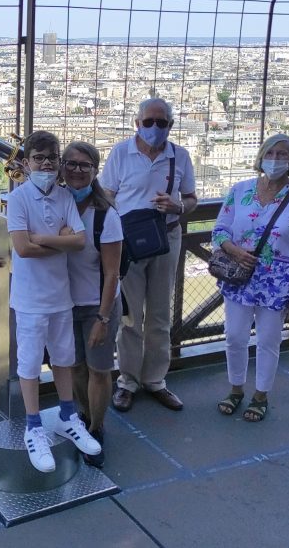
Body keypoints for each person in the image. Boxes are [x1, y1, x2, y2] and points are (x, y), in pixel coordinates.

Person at [6, 130, 101, 474]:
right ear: (26, 163)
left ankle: (67, 415)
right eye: (39, 158)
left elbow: (78, 241)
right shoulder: (18, 199)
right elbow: (22, 249)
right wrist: (59, 238)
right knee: (29, 365)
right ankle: (34, 426)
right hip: (30, 299)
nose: (46, 164)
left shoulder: (63, 197)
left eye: (51, 158)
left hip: (61, 296)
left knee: (64, 358)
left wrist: (42, 238)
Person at [100, 98, 197, 413]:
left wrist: (178, 207)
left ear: (170, 124)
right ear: (136, 122)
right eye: (149, 121)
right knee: (130, 318)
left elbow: (192, 198)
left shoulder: (179, 156)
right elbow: (107, 195)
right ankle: (127, 381)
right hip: (128, 242)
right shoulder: (121, 153)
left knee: (159, 315)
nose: (155, 128)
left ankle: (155, 380)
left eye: (162, 122)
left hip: (166, 238)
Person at [211, 134, 289, 422]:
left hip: (279, 282)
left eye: (284, 154)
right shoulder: (239, 190)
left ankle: (260, 396)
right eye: (271, 153)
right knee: (234, 337)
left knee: (269, 340)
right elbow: (219, 230)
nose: (276, 159)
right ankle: (236, 389)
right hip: (240, 275)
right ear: (260, 157)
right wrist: (234, 251)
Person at [61, 141, 122, 467]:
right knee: (75, 368)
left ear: (95, 171)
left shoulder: (105, 215)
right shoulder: (55, 205)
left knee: (99, 370)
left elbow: (112, 272)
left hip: (98, 304)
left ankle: (97, 429)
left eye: (85, 165)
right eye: (71, 163)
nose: (77, 170)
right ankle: (85, 417)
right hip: (65, 304)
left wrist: (102, 316)